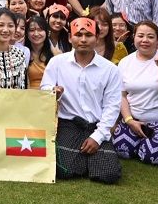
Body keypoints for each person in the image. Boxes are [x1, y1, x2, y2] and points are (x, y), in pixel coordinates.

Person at [40, 17, 123, 184]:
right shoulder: (57, 63)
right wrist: (54, 93)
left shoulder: (110, 70)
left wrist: (98, 137)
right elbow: (44, 89)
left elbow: (112, 106)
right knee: (64, 170)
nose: (83, 39)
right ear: (70, 38)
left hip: (96, 124)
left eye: (88, 35)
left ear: (97, 37)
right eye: (78, 35)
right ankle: (83, 160)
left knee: (109, 174)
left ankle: (90, 157)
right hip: (68, 124)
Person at [112, 21, 158, 167]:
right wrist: (129, 120)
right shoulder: (125, 62)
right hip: (135, 118)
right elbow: (122, 95)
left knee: (152, 157)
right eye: (140, 36)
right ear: (134, 37)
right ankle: (143, 142)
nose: (145, 40)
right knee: (121, 150)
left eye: (150, 37)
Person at [25, 16, 54, 89]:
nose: (36, 34)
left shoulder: (55, 54)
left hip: (48, 95)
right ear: (27, 34)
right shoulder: (23, 54)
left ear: (46, 32)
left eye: (40, 30)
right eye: (32, 30)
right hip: (27, 96)